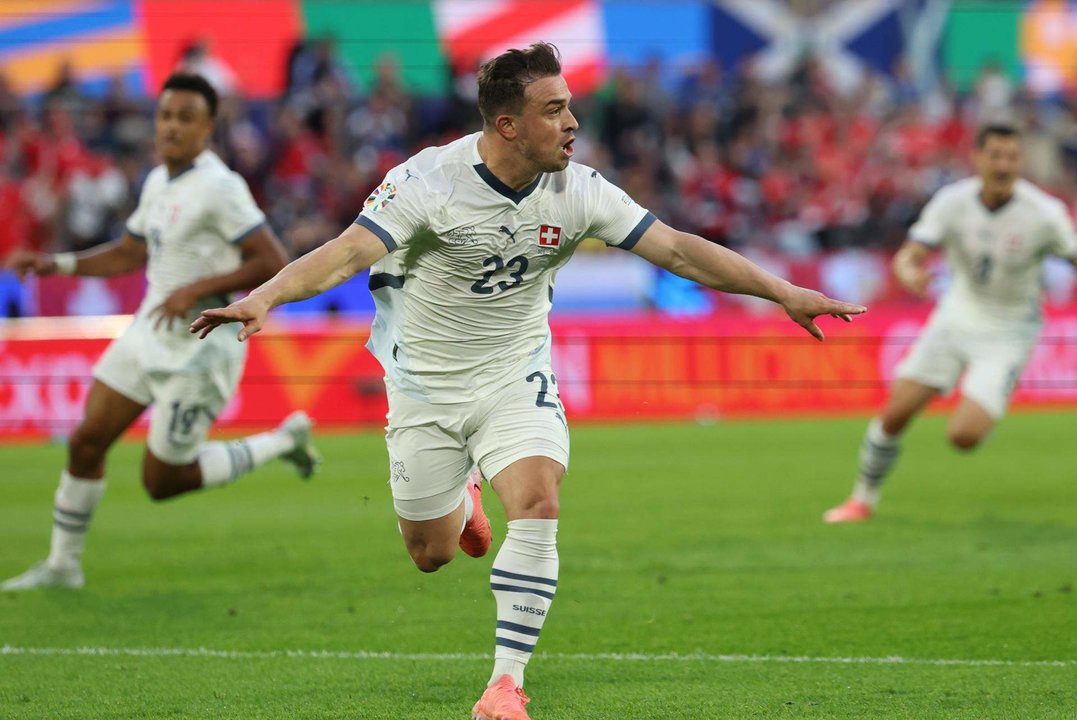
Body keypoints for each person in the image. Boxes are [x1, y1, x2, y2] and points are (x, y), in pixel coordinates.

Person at [191, 44, 864, 720]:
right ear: (507, 125)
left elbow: (681, 249)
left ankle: (504, 684)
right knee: (430, 554)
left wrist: (782, 292)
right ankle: (464, 497)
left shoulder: (580, 190)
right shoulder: (428, 182)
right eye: (553, 110)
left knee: (539, 501)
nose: (572, 122)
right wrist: (265, 297)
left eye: (569, 105)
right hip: (424, 385)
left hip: (516, 371)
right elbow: (346, 252)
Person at [2, 73, 321, 591]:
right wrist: (56, 264)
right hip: (150, 330)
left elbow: (272, 260)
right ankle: (63, 565)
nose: (171, 126)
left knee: (162, 481)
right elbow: (129, 252)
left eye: (185, 117)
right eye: (166, 115)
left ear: (208, 127)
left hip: (201, 348)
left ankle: (281, 440)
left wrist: (198, 289)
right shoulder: (158, 180)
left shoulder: (221, 187)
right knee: (86, 441)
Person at [825, 123, 1077, 524]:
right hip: (955, 317)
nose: (1003, 164)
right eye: (995, 155)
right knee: (896, 414)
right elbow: (910, 255)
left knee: (963, 437)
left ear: (1020, 162)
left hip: (1009, 332)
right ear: (977, 158)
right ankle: (862, 499)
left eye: (1011, 156)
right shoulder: (952, 202)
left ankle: (991, 396)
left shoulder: (1044, 214)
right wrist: (909, 272)